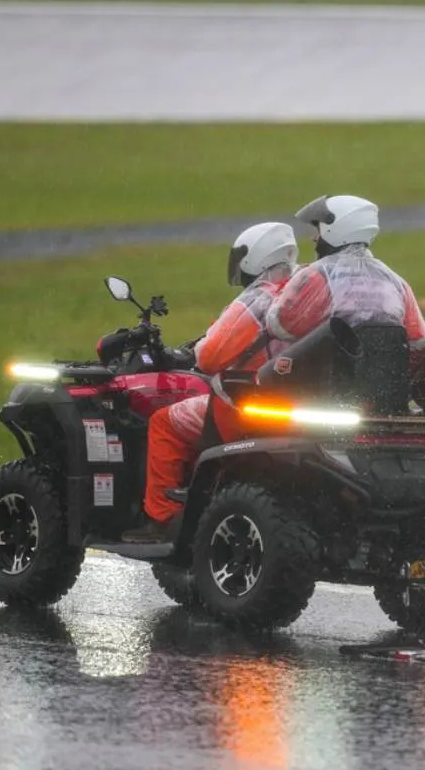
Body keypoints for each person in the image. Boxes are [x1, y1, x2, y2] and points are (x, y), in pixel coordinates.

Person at [122, 222, 298, 544]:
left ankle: (162, 520)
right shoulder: (304, 293)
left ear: (253, 259)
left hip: (246, 408)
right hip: (299, 408)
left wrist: (193, 351)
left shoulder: (257, 299)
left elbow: (210, 357)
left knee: (164, 423)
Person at [266, 194, 425, 376]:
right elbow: (421, 341)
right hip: (386, 388)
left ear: (334, 229)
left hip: (325, 389)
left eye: (318, 230)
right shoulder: (396, 281)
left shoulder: (317, 275)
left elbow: (281, 325)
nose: (315, 238)